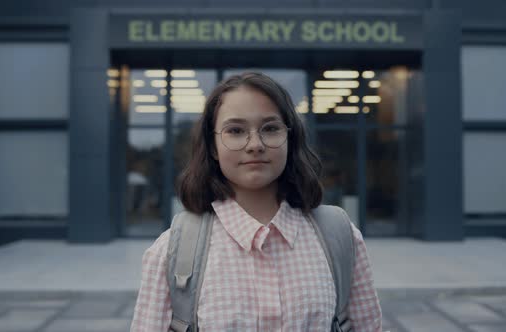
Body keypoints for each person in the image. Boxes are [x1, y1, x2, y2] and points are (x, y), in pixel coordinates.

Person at [130, 72, 382, 331]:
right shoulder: (171, 251)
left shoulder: (339, 237)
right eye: (236, 131)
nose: (255, 145)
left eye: (270, 128)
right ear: (214, 147)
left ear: (289, 138)